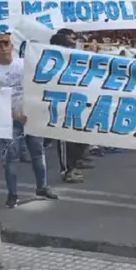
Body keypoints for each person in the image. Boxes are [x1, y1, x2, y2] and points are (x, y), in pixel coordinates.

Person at [0, 33, 57, 208]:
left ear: (12, 46)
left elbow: (37, 86)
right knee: (11, 158)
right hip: (10, 121)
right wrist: (13, 114)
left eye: (6, 44)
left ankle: (42, 187)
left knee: (38, 154)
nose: (3, 48)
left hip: (30, 117)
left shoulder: (24, 65)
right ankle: (12, 194)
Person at [48, 34, 87, 184]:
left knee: (79, 139)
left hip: (75, 103)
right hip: (61, 105)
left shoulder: (70, 60)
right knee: (65, 140)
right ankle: (66, 170)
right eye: (68, 45)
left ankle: (73, 165)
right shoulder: (51, 62)